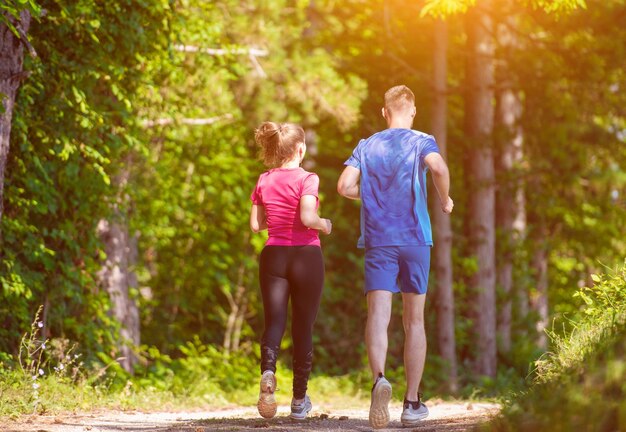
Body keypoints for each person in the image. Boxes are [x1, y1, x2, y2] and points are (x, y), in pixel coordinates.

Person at [337, 85, 453, 429]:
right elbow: (439, 168)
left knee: (378, 315)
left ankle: (379, 379)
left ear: (384, 112)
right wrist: (445, 200)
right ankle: (412, 402)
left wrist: (371, 196)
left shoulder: (367, 145)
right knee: (413, 321)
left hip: (378, 241)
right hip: (416, 239)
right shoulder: (421, 139)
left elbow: (343, 186)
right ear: (412, 111)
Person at [250, 121, 332, 421]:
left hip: (273, 256)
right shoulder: (308, 178)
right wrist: (325, 224)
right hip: (306, 256)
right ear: (300, 149)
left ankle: (269, 372)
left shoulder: (264, 179)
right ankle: (299, 400)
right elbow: (308, 216)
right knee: (302, 327)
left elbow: (256, 225)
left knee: (274, 322)